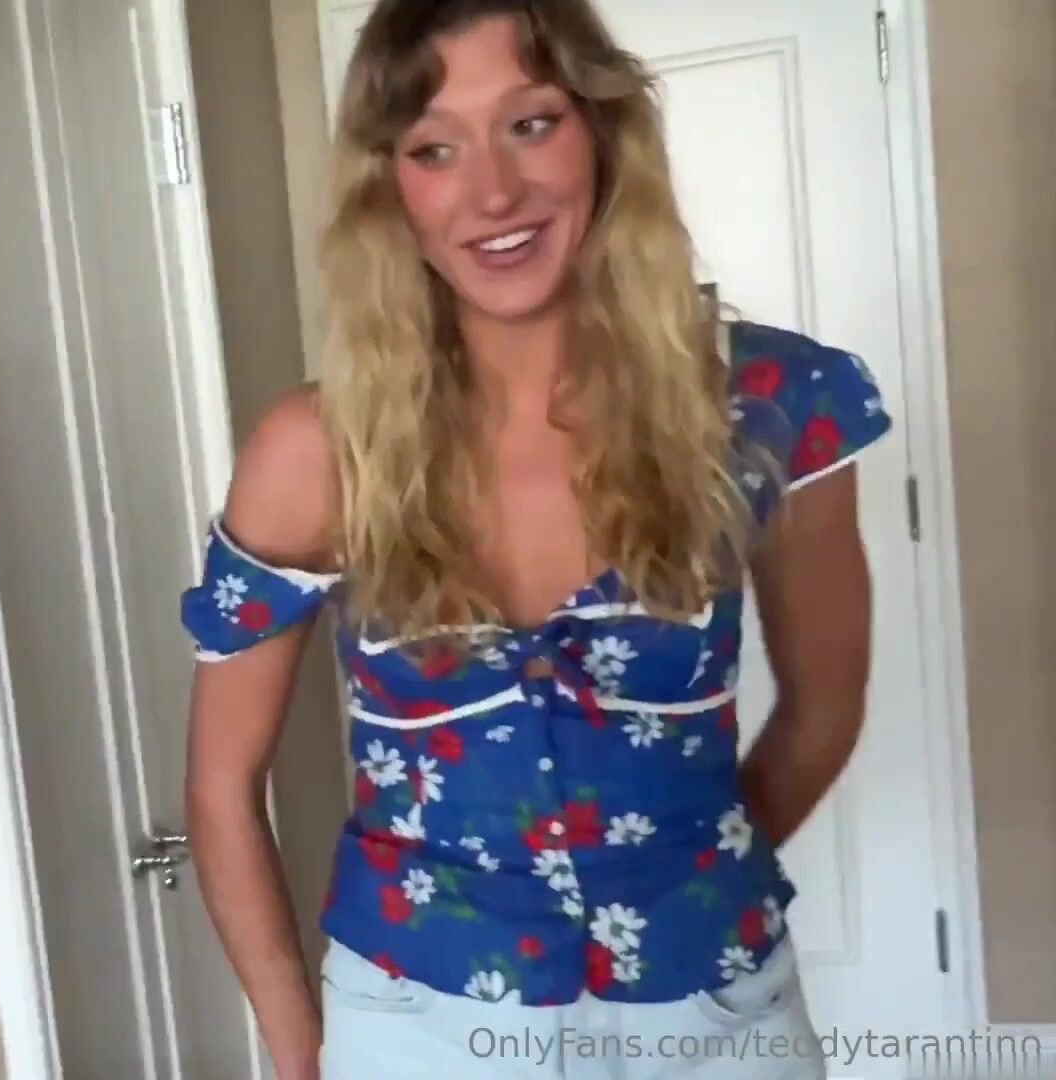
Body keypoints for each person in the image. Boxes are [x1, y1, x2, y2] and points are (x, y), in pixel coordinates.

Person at [178, 1, 891, 1077]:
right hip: (419, 1026)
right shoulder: (319, 452)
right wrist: (296, 1050)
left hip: (719, 1020)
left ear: (602, 131)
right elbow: (223, 789)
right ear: (389, 187)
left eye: (531, 124)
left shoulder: (772, 400)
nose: (494, 193)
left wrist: (681, 884)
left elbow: (825, 709)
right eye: (434, 148)